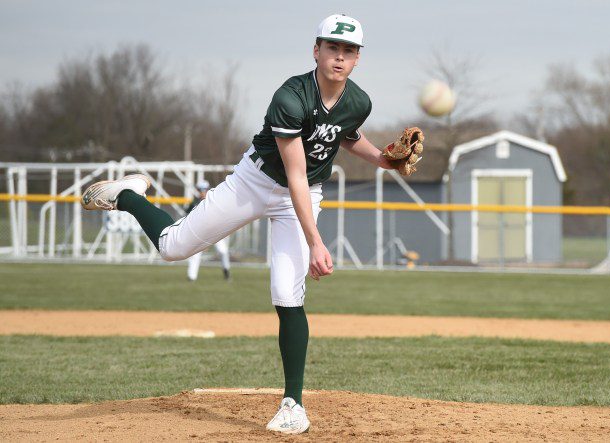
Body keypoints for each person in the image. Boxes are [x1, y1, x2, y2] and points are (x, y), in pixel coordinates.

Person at [81, 13, 396, 435]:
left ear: (358, 58)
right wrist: (316, 241)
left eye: (349, 51)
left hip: (302, 194)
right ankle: (129, 195)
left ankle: (292, 404)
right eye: (332, 47)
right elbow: (295, 174)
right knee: (173, 247)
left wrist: (384, 159)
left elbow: (344, 134)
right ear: (316, 50)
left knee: (288, 293)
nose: (340, 57)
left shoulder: (359, 101)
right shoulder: (290, 96)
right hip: (256, 181)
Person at [185, 180, 231, 281]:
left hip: (215, 231)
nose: (203, 192)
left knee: (223, 251)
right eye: (201, 190)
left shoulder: (214, 200)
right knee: (195, 254)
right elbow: (188, 218)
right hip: (200, 232)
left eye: (205, 189)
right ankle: (191, 277)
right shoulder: (194, 203)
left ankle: (226, 271)